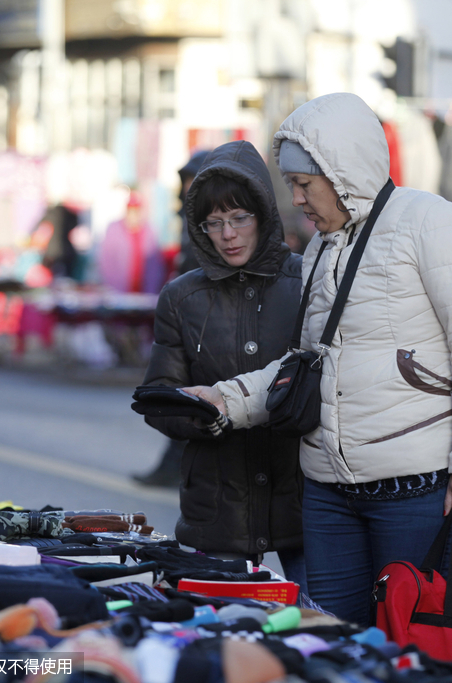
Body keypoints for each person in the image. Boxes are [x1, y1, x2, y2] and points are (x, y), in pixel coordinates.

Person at [183, 93, 452, 625]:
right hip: (330, 493)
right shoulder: (321, 247)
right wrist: (227, 399)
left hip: (417, 490)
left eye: (304, 184)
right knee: (332, 639)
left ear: (341, 171)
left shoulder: (432, 222)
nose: (297, 198)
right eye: (291, 183)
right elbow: (307, 362)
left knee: (410, 640)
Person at [138, 140, 306, 590]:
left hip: (302, 497)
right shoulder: (181, 297)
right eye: (214, 223)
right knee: (226, 632)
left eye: (239, 219)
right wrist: (205, 417)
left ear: (264, 215)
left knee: (320, 626)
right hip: (217, 503)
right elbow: (160, 396)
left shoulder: (308, 281)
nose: (227, 234)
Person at [134, 149, 211, 488]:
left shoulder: (211, 220)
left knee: (192, 398)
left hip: (203, 320)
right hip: (187, 316)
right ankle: (173, 466)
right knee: (180, 396)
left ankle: (176, 467)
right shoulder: (188, 214)